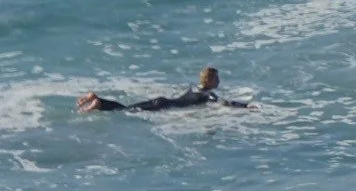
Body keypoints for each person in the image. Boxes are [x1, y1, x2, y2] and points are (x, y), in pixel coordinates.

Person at [79, 67, 249, 114]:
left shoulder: (194, 88)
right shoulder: (207, 95)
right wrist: (246, 107)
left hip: (163, 101)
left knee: (126, 108)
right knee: (126, 111)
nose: (219, 81)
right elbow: (225, 103)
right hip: (163, 106)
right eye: (217, 78)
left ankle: (97, 100)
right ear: (211, 80)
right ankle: (98, 102)